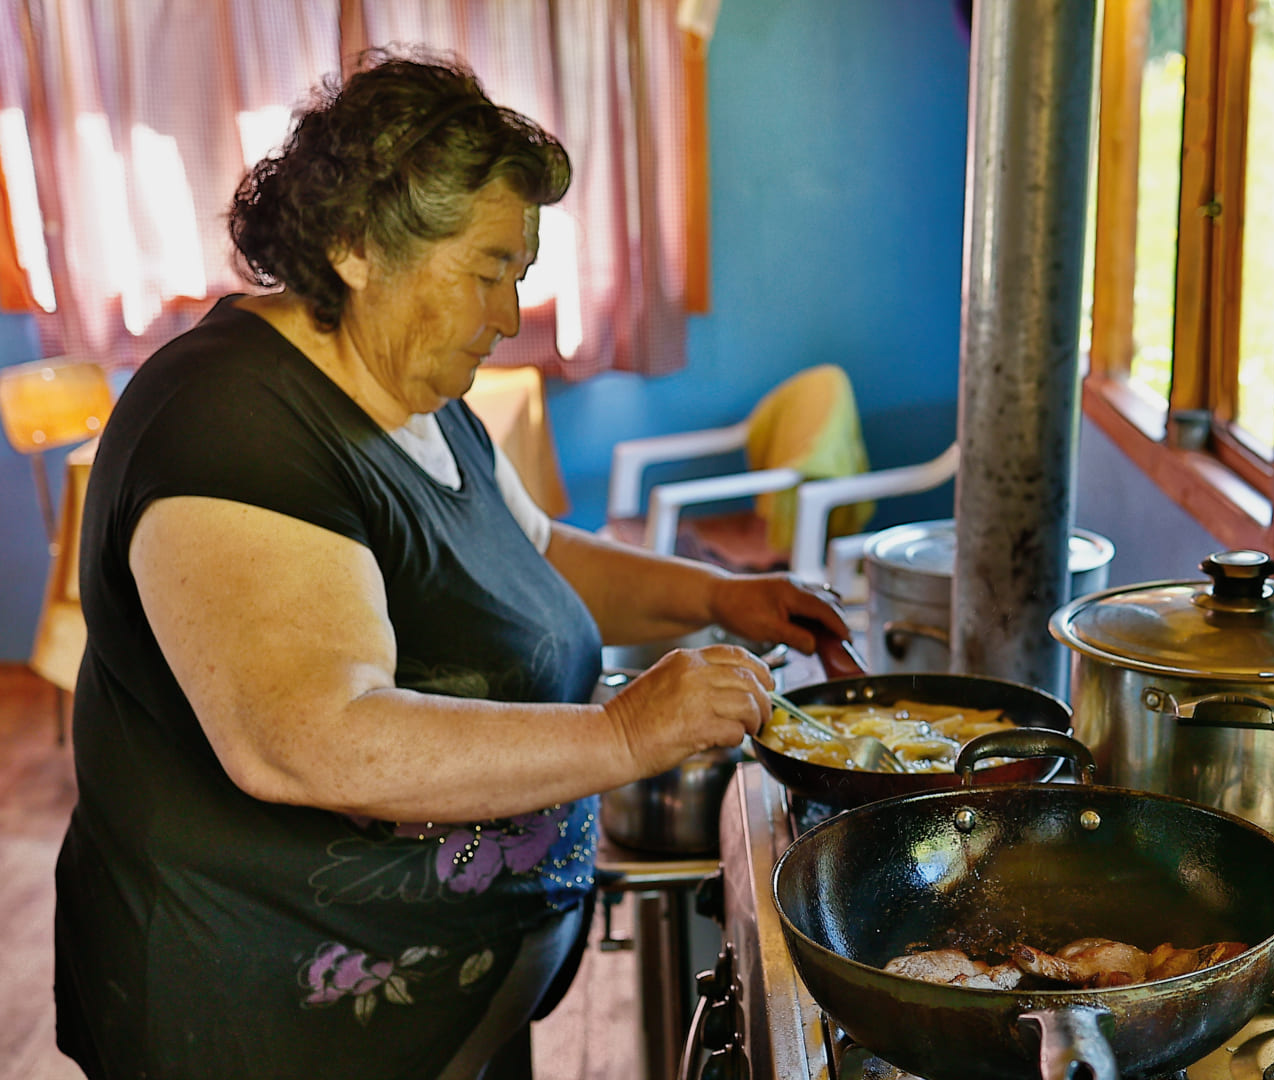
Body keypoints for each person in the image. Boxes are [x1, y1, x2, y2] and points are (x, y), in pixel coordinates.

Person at [52, 49, 851, 1079]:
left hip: (441, 1003)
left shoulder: (413, 386)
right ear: (353, 245)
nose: (510, 315)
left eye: (516, 276)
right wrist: (625, 729)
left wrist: (720, 598)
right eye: (486, 272)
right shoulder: (229, 426)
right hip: (265, 1021)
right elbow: (306, 740)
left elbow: (537, 552)